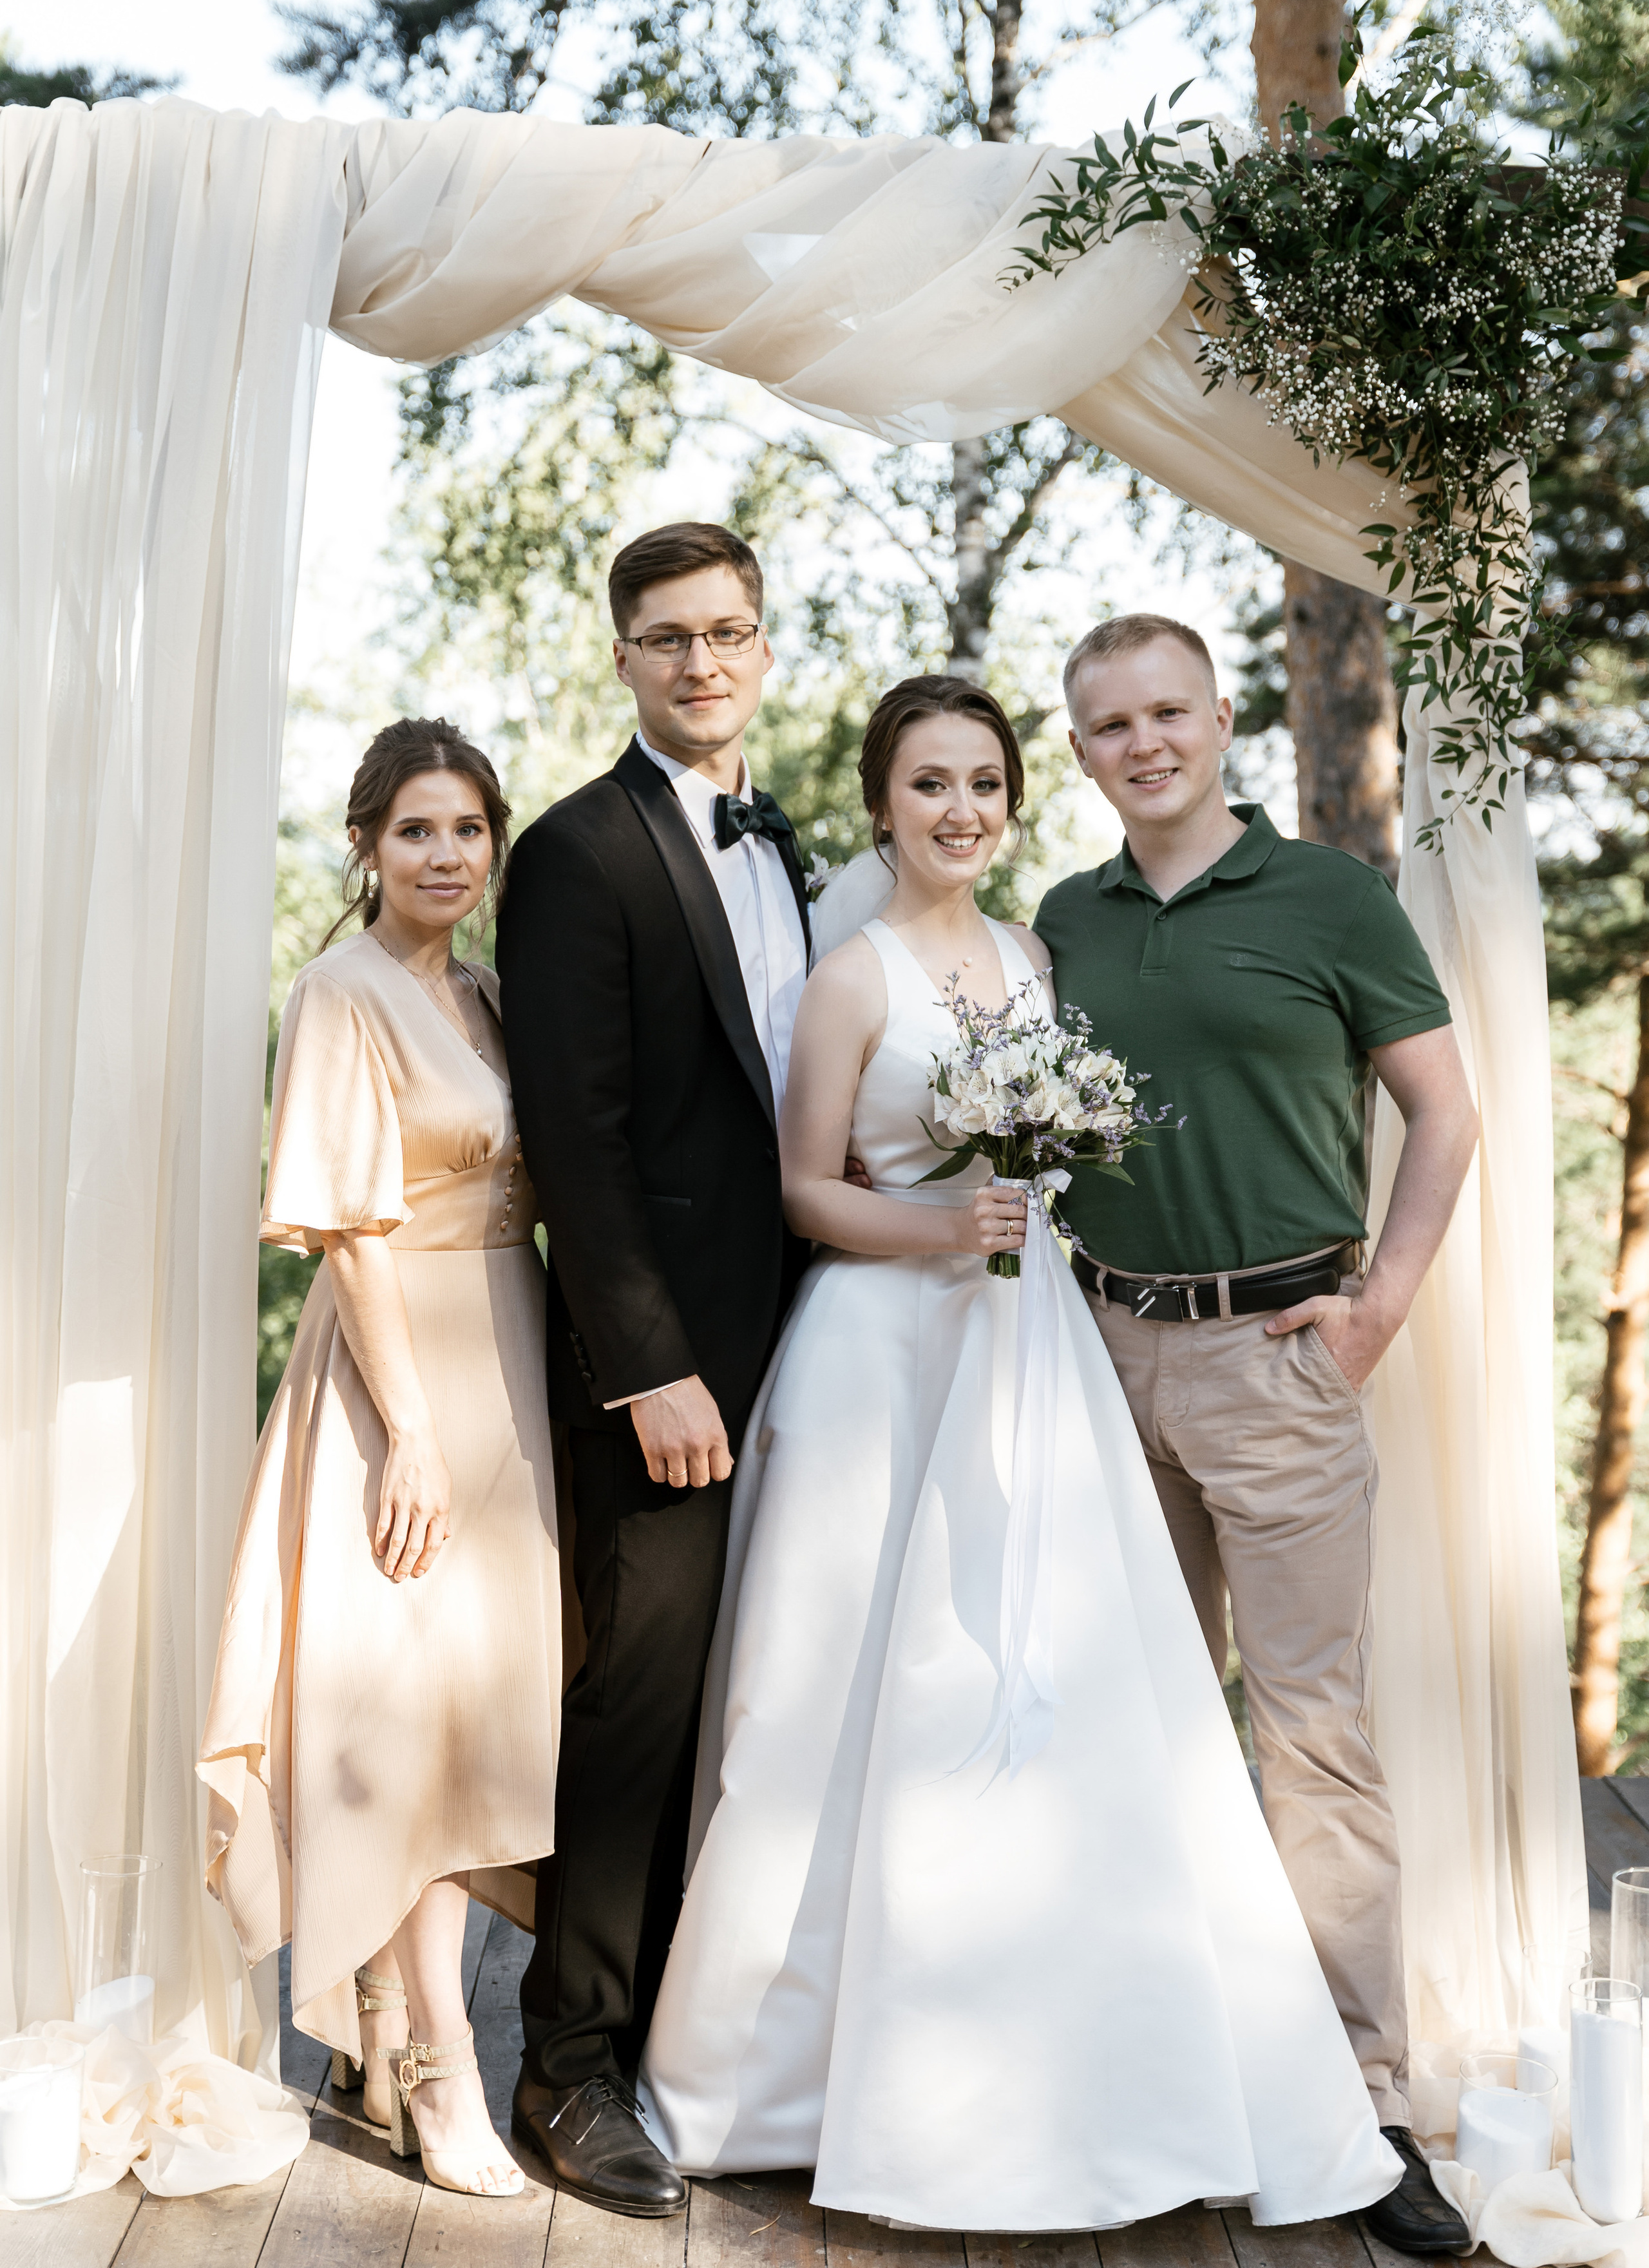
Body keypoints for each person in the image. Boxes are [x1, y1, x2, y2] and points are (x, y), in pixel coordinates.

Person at [634, 674, 1404, 2235]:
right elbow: (800, 1191)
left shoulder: (1039, 954)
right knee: (838, 1695)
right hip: (879, 1358)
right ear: (881, 805)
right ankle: (782, 2082)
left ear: (1008, 798)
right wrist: (939, 1224)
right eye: (928, 786)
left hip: (1028, 1344)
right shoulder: (850, 980)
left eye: (981, 784)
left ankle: (1103, 2064)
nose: (959, 812)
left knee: (1054, 1684)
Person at [1034, 613, 1480, 2256]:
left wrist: (1379, 1310)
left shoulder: (1326, 899)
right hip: (1098, 1356)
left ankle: (1364, 2107)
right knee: (1132, 1737)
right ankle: (1159, 2077)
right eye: (1106, 725)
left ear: (1218, 718)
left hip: (1275, 1356)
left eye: (1165, 712)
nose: (1141, 743)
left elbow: (1443, 1110)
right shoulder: (1061, 921)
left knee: (1309, 1739)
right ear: (1075, 747)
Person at [495, 521, 814, 2218]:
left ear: (767, 649)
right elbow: (579, 1142)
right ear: (621, 656)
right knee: (638, 1703)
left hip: (813, 1350)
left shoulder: (792, 848)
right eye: (670, 637)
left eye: (732, 633)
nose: (704, 662)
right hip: (667, 1370)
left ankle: (707, 2037)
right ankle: (569, 2066)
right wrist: (648, 1369)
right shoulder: (576, 851)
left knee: (756, 1699)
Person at [200, 717, 562, 2202]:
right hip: (398, 1377)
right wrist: (406, 1436)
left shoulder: (483, 993)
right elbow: (347, 1231)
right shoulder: (339, 994)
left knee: (480, 1720)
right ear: (364, 843)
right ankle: (437, 2063)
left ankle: (380, 2013)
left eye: (468, 830)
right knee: (407, 1720)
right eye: (415, 829)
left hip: (511, 1357)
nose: (446, 855)